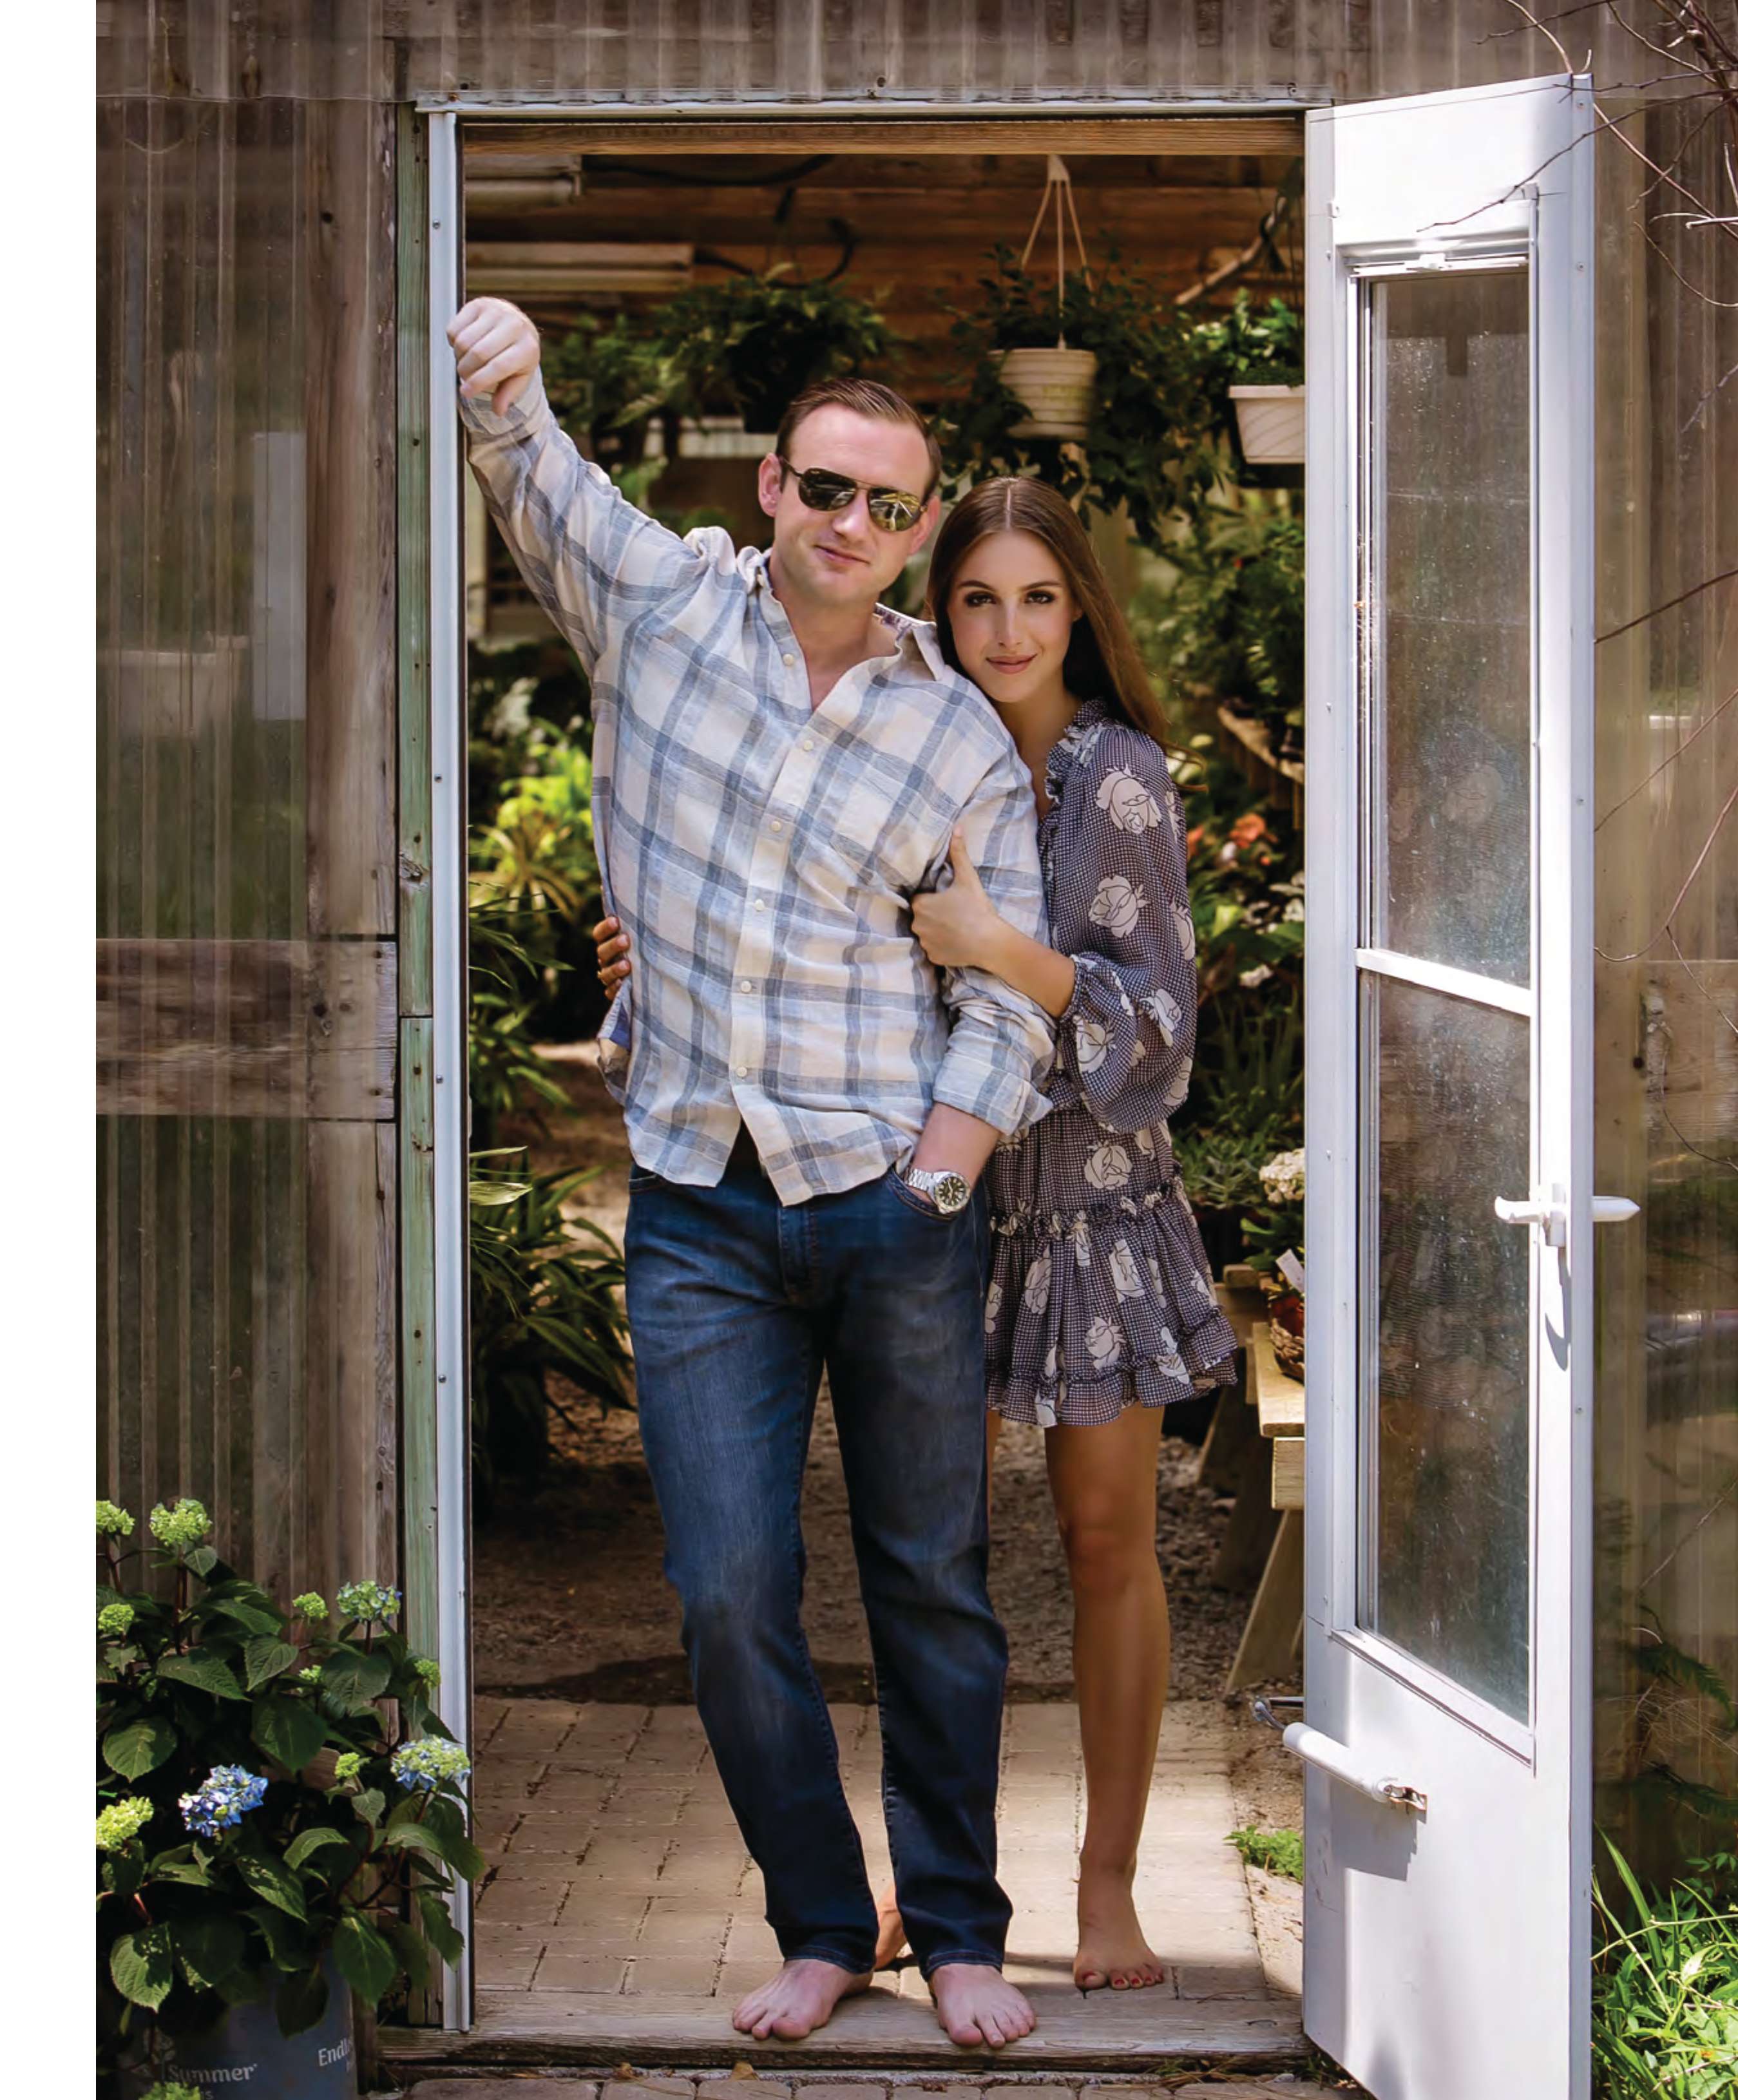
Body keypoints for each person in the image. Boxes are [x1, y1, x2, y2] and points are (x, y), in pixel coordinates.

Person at [447, 296, 1053, 2050]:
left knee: (930, 1582)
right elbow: (533, 473)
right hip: (699, 1206)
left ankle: (957, 1930)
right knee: (723, 1595)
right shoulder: (659, 609)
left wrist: (942, 1169)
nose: (852, 523)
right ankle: (820, 1921)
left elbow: (1005, 992)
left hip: (890, 1203)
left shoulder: (953, 734)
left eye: (888, 505)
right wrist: (503, 369)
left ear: (916, 531)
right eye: (827, 487)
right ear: (773, 485)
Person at [597, 475, 1237, 1994]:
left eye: (1038, 598)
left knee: (1101, 1543)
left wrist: (1005, 948)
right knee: (916, 1563)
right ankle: (911, 1888)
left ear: (1078, 609)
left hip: (1078, 1208)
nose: (1008, 630)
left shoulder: (1113, 775)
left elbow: (1161, 1039)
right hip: (919, 1193)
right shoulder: (900, 733)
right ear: (933, 609)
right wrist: (652, 948)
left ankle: (1104, 1886)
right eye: (976, 599)